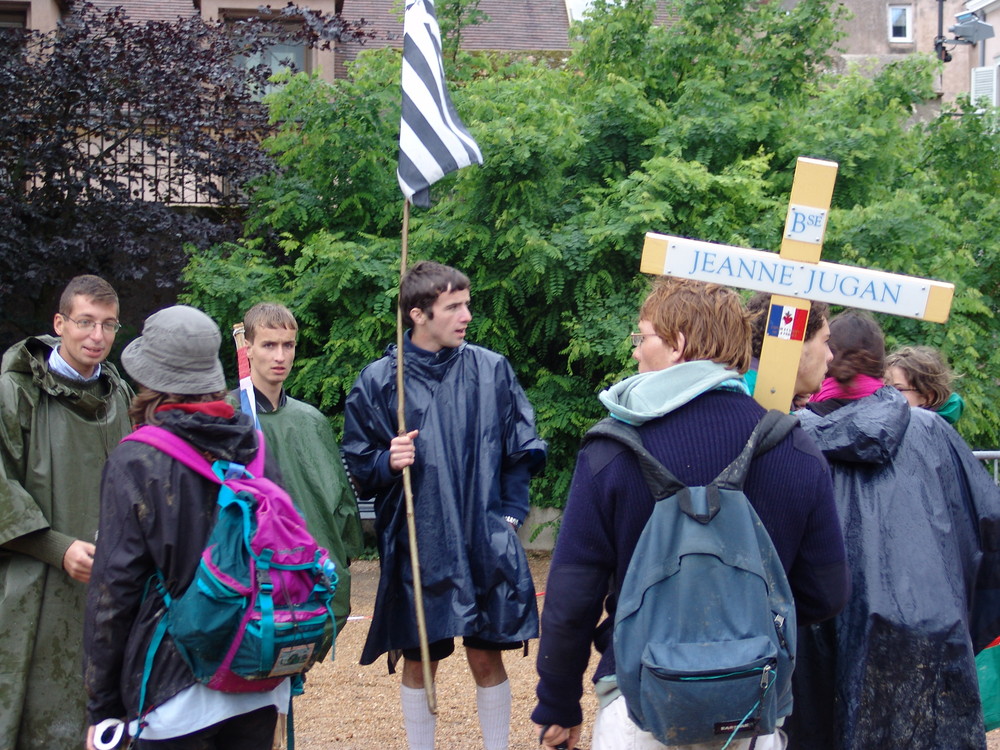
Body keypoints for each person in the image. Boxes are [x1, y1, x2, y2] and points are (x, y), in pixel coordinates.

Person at [531, 277, 849, 750]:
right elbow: (826, 592)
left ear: (678, 344)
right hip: (748, 710)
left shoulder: (612, 451)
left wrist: (558, 703)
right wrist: (743, 629)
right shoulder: (794, 447)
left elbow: (571, 597)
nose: (636, 351)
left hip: (638, 707)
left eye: (644, 337)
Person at [342, 260, 547, 750]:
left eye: (467, 304)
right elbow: (358, 464)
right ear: (418, 314)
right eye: (453, 306)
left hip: (483, 536)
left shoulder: (491, 369)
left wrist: (510, 518)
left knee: (486, 656)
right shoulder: (379, 382)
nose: (466, 315)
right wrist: (389, 461)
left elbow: (520, 450)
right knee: (420, 661)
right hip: (418, 540)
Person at [787, 310, 1000, 750]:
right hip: (924, 633)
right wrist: (957, 619)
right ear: (880, 365)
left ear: (823, 358)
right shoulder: (930, 430)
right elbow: (987, 530)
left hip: (812, 639)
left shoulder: (788, 435)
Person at [84, 305, 289, 749]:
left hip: (170, 691)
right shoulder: (252, 445)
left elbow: (113, 593)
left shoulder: (135, 460)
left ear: (149, 377)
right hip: (253, 677)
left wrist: (102, 710)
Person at [0, 274, 133, 749]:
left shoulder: (120, 397)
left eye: (109, 325)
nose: (97, 336)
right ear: (60, 324)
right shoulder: (13, 394)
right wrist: (58, 548)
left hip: (111, 591)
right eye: (85, 322)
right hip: (34, 591)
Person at [238, 302, 363, 635]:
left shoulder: (312, 422)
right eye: (268, 345)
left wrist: (340, 561)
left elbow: (339, 505)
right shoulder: (227, 418)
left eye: (288, 345)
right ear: (247, 348)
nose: (280, 356)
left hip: (307, 574)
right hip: (250, 579)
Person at [746, 292, 832, 408]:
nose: (830, 356)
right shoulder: (753, 404)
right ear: (795, 345)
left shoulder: (746, 391)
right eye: (825, 341)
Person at [884, 344, 964, 424]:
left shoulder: (930, 434)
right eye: (884, 388)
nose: (886, 395)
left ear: (927, 397)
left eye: (898, 389)